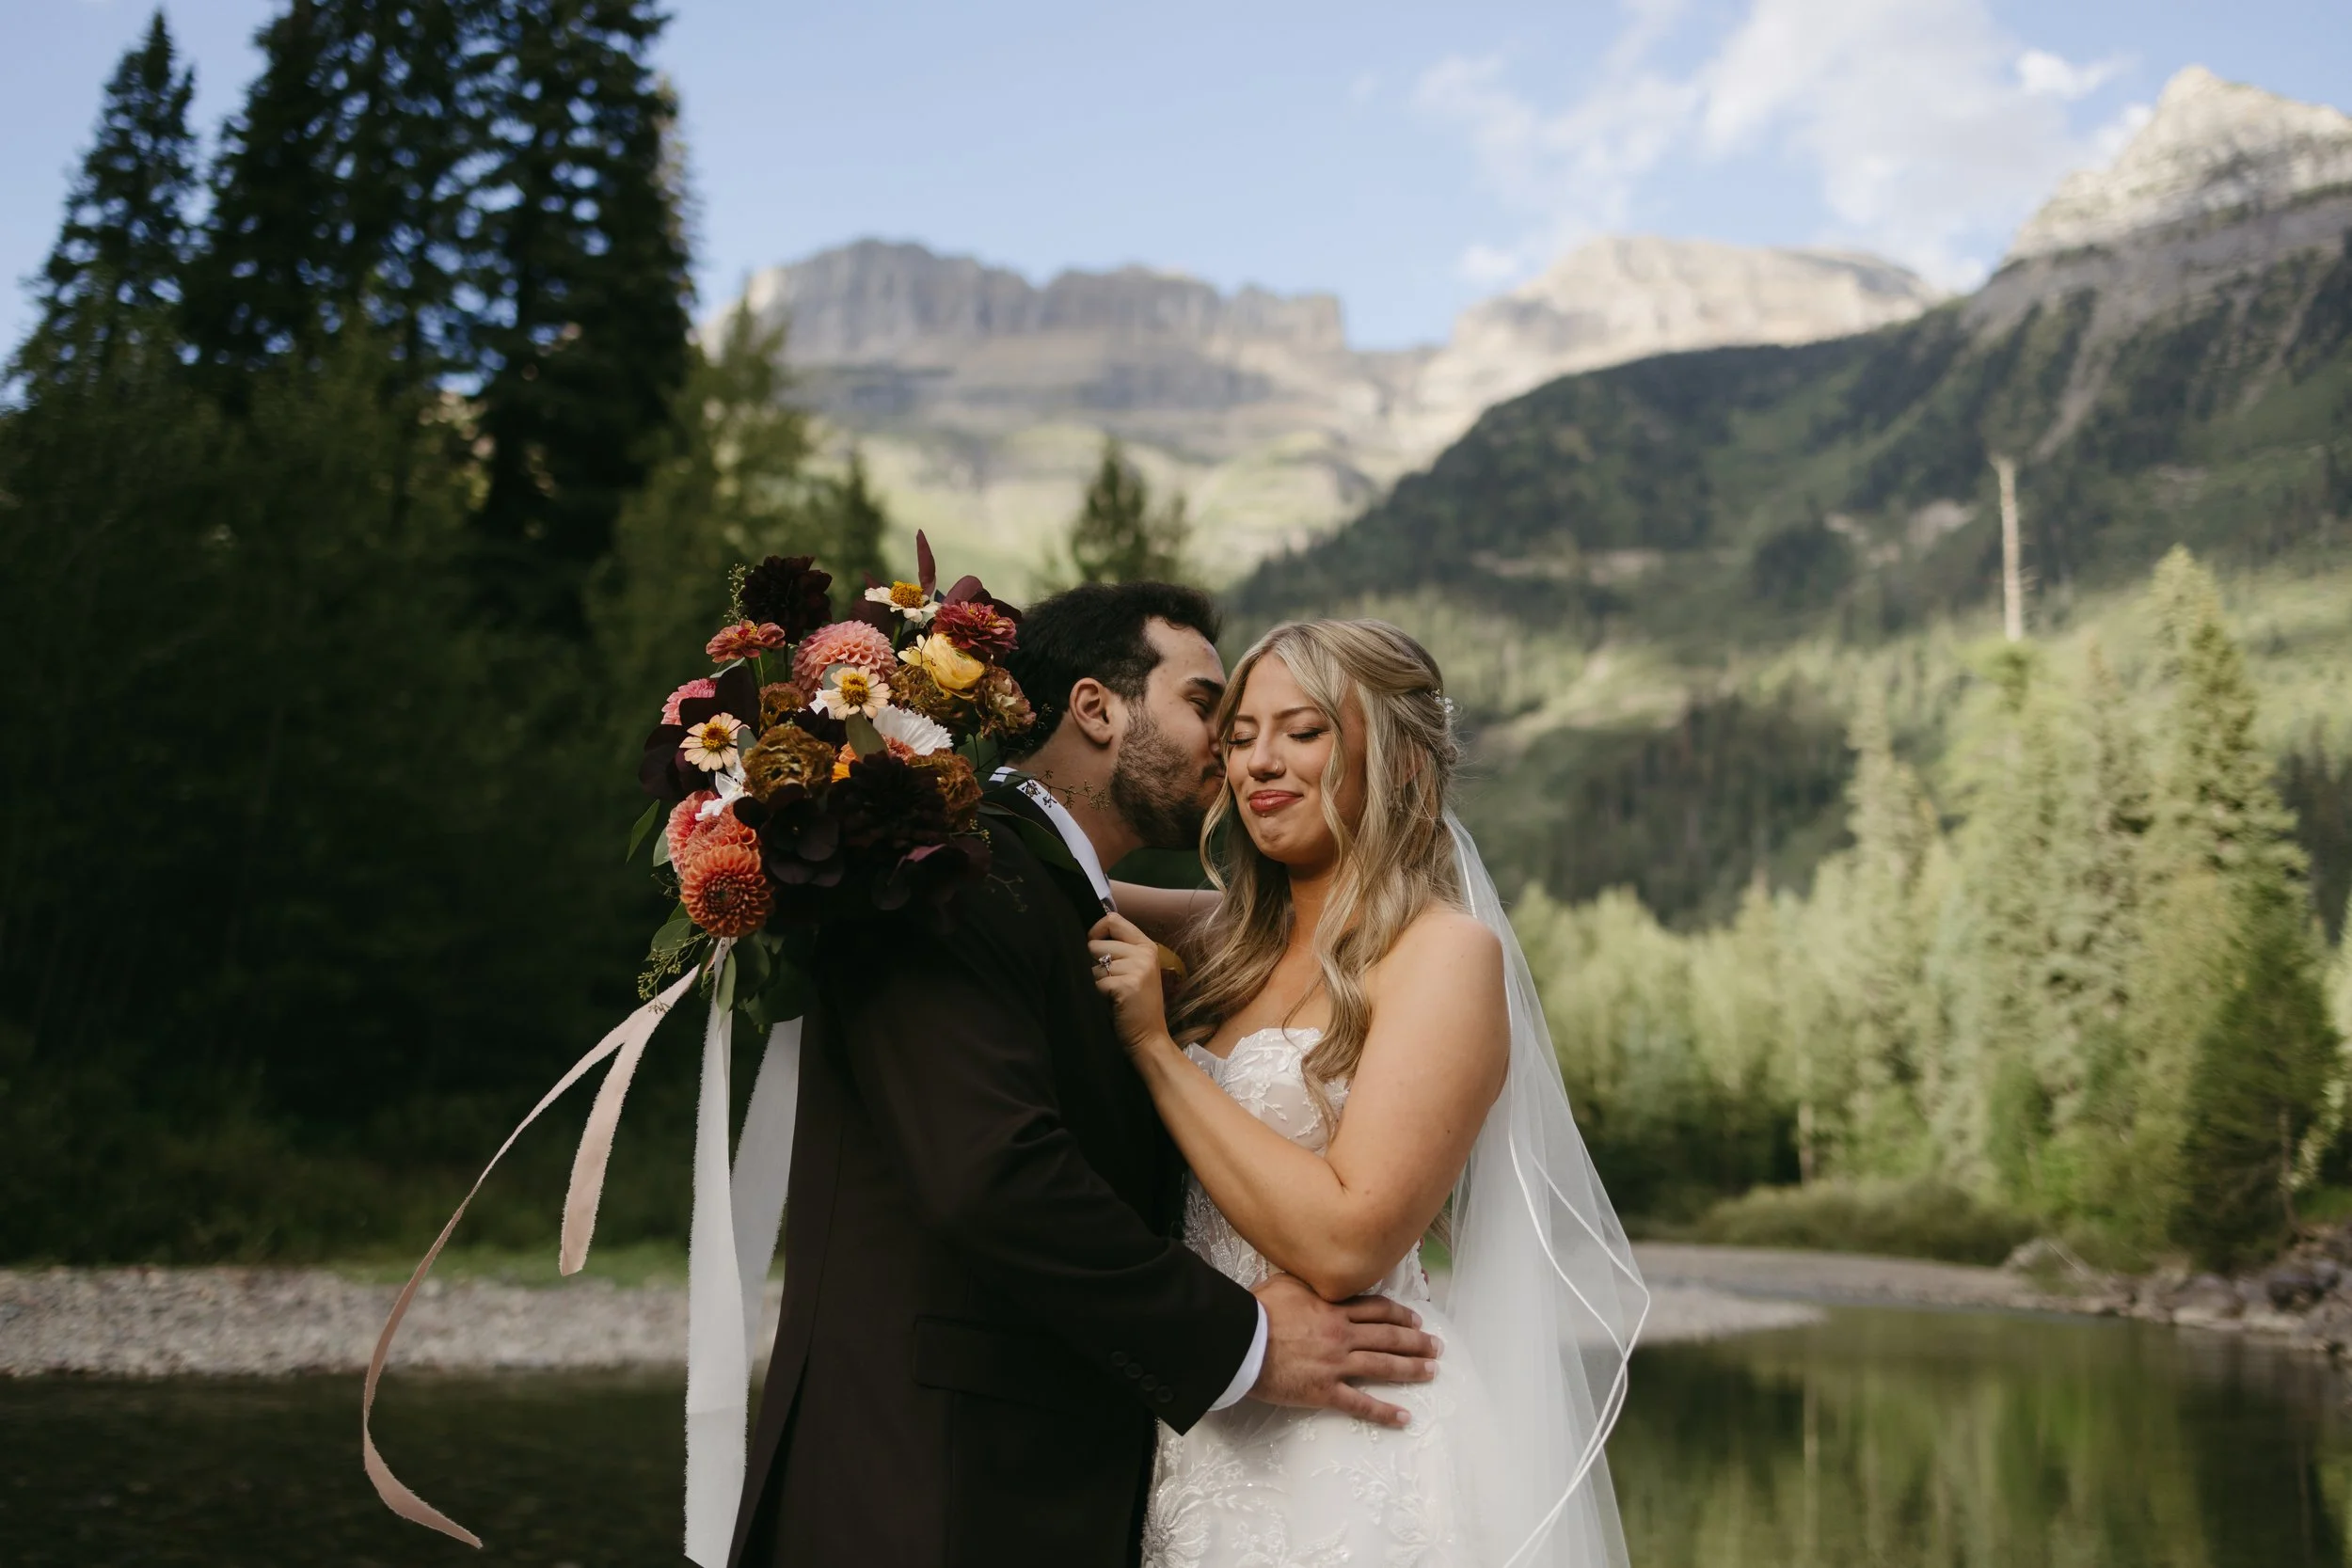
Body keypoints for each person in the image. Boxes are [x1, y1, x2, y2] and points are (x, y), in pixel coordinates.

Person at [727, 585, 1444, 1568]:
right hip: (928, 1490)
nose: (1230, 753)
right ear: (1097, 707)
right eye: (1209, 709)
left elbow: (1251, 927)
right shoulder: (941, 870)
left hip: (1052, 1481)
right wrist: (1241, 1340)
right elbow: (992, 1175)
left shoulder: (1052, 889)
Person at [1089, 618, 1645, 1568]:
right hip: (1204, 1428)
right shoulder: (1230, 939)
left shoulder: (1444, 954)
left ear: (1399, 766)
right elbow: (1051, 875)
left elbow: (1349, 1242)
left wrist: (1154, 1047)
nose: (1259, 760)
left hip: (1356, 1449)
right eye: (1239, 734)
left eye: (1302, 731)